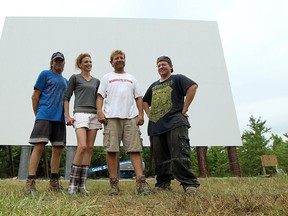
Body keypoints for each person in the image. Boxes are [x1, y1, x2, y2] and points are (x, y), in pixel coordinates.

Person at [97, 50, 152, 195]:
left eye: (122, 58)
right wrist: (100, 112)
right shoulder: (107, 77)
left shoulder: (131, 78)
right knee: (112, 150)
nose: (119, 60)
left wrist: (140, 114)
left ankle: (141, 183)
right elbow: (100, 96)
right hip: (111, 118)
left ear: (125, 60)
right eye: (116, 58)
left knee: (135, 149)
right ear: (111, 62)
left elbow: (138, 97)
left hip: (130, 118)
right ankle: (114, 185)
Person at [143, 56, 200, 194]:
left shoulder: (178, 78)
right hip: (156, 126)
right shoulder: (154, 85)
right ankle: (163, 184)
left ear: (170, 66)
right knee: (160, 158)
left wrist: (185, 108)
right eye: (159, 65)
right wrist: (149, 114)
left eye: (164, 64)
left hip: (175, 122)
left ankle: (189, 184)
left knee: (179, 153)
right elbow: (145, 101)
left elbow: (193, 86)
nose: (161, 67)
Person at [25, 52, 68, 194]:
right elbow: (35, 96)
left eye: (61, 61)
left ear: (64, 63)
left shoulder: (66, 81)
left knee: (58, 149)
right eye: (56, 60)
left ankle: (54, 183)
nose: (59, 63)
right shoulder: (45, 74)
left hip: (59, 119)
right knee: (39, 146)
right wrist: (38, 115)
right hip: (44, 116)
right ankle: (30, 183)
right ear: (52, 62)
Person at [64, 53, 102, 194]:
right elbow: (66, 98)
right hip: (80, 113)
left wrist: (101, 113)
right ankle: (72, 184)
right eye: (85, 62)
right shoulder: (75, 78)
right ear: (80, 64)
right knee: (82, 146)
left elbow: (99, 99)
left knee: (90, 148)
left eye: (90, 61)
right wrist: (68, 116)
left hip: (94, 115)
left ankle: (82, 185)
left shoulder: (97, 81)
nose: (88, 64)